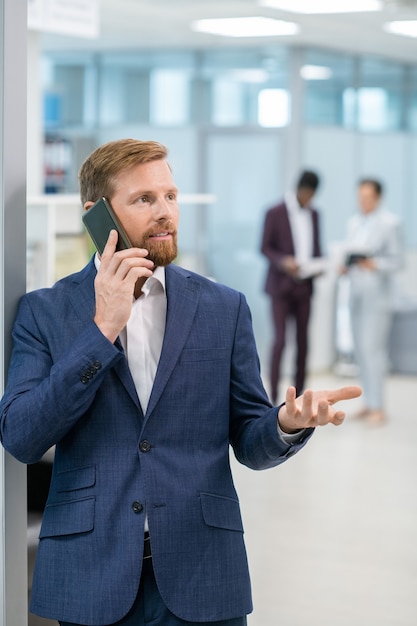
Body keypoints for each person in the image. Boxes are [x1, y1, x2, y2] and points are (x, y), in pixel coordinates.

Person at [0, 139, 360, 626]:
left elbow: (250, 438)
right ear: (96, 214)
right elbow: (22, 436)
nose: (165, 212)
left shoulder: (223, 307)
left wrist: (285, 424)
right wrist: (102, 329)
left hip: (203, 569)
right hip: (91, 574)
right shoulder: (45, 312)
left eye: (170, 196)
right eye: (144, 199)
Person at [340, 178, 402, 425]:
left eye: (367, 197)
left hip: (377, 300)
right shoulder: (354, 223)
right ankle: (368, 403)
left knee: (374, 352)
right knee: (361, 352)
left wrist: (373, 264)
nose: (363, 201)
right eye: (360, 196)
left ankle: (379, 406)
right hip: (356, 294)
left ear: (378, 198)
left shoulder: (390, 224)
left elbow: (398, 261)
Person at [260, 170, 323, 405]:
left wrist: (320, 264)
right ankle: (273, 398)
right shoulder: (274, 212)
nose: (309, 199)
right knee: (280, 341)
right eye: (307, 194)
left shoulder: (315, 214)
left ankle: (298, 398)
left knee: (303, 342)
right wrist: (284, 261)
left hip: (305, 286)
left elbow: (316, 247)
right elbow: (265, 247)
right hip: (281, 286)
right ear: (300, 189)